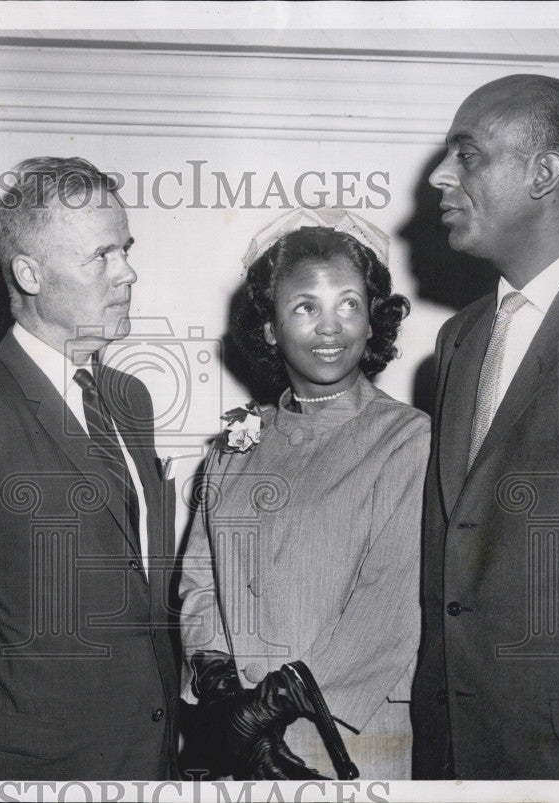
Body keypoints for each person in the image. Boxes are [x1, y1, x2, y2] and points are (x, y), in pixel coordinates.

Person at [0, 157, 179, 780]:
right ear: (29, 273)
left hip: (146, 764)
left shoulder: (131, 400)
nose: (128, 272)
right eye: (100, 256)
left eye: (125, 249)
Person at [411, 74, 559, 779]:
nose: (441, 177)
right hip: (452, 750)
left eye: (466, 155)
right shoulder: (459, 339)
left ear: (544, 173)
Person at [179, 210, 429, 780]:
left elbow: (392, 601)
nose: (330, 327)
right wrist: (221, 692)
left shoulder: (408, 438)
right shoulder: (234, 445)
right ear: (269, 327)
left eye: (349, 303)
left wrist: (274, 706)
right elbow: (200, 578)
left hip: (345, 733)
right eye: (304, 307)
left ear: (373, 322)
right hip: (233, 738)